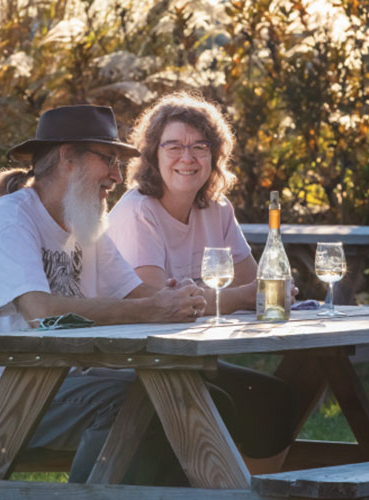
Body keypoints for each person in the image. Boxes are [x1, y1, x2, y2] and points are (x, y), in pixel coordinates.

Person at [0, 104, 207, 483]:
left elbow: (137, 294)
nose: (116, 175)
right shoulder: (9, 219)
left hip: (51, 384)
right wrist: (153, 307)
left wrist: (176, 298)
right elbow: (40, 311)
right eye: (108, 160)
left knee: (185, 395)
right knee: (139, 401)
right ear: (67, 158)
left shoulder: (86, 223)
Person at [107, 92, 297, 473]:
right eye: (174, 146)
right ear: (152, 154)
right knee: (222, 406)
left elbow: (258, 284)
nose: (187, 157)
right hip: (134, 362)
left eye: (199, 146)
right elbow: (161, 305)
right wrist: (242, 297)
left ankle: (252, 492)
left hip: (187, 359)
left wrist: (248, 294)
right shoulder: (137, 210)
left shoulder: (217, 207)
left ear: (215, 155)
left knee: (274, 399)